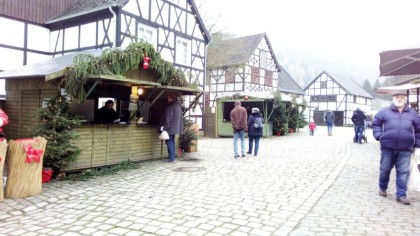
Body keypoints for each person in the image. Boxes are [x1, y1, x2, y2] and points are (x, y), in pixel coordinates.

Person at [371, 92, 420, 205]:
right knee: (385, 170)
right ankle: (382, 188)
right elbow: (376, 123)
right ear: (393, 98)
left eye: (402, 97)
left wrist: (417, 145)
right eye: (397, 97)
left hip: (406, 148)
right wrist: (379, 136)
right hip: (387, 147)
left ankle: (401, 195)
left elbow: (418, 131)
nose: (399, 99)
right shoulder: (384, 112)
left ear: (406, 99)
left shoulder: (413, 114)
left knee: (403, 172)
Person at [160, 92, 183, 163]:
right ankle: (172, 157)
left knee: (169, 142)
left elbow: (168, 119)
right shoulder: (178, 106)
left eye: (168, 98)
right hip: (175, 128)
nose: (167, 99)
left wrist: (164, 128)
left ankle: (171, 158)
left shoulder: (170, 107)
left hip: (170, 129)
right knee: (171, 142)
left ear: (171, 98)